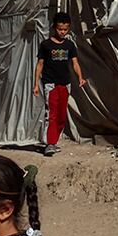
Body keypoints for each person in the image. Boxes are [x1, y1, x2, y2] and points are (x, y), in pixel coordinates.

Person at [32, 13, 87, 156]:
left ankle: (54, 142)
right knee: (52, 113)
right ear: (54, 28)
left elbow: (75, 63)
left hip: (65, 83)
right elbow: (40, 64)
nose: (62, 32)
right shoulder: (46, 45)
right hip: (50, 83)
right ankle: (49, 143)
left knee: (62, 114)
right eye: (60, 29)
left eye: (65, 29)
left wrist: (80, 77)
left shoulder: (70, 45)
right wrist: (36, 84)